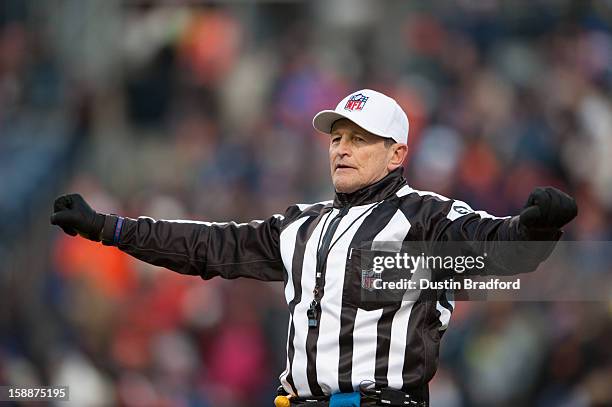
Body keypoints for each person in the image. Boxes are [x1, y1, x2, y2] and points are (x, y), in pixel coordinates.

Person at [50, 89, 577, 407]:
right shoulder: (301, 225)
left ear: (397, 154)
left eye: (360, 139)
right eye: (336, 137)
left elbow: (491, 248)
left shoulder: (426, 218)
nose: (343, 148)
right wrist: (110, 229)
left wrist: (532, 231)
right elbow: (208, 246)